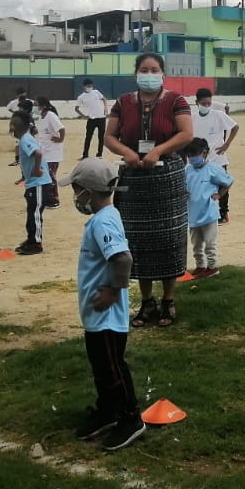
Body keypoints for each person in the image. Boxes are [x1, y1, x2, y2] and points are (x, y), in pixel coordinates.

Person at [105, 53, 194, 329]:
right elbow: (109, 136)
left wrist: (158, 151)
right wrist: (127, 153)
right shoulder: (122, 102)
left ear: (162, 73)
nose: (149, 73)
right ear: (136, 73)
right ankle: (146, 301)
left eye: (154, 69)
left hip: (167, 176)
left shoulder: (176, 101)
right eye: (144, 69)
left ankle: (168, 299)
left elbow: (186, 134)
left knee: (169, 239)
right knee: (137, 241)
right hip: (134, 178)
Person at [68, 158, 146, 451]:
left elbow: (123, 259)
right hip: (96, 316)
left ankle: (130, 418)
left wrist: (114, 291)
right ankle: (108, 410)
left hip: (107, 317)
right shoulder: (103, 218)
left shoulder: (104, 221)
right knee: (101, 367)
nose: (75, 197)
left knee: (113, 369)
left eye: (77, 190)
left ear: (88, 191)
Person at [184, 138, 233, 278]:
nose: (192, 159)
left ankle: (212, 266)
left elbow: (228, 181)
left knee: (210, 242)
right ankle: (200, 266)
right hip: (193, 213)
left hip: (209, 213)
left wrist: (219, 195)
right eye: (190, 156)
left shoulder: (213, 169)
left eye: (195, 155)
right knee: (196, 243)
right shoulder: (187, 170)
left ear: (204, 153)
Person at [192, 87, 239, 223]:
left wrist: (227, 144)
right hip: (201, 160)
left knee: (222, 185)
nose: (206, 106)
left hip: (218, 157)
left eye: (209, 103)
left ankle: (223, 213)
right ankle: (205, 211)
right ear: (197, 103)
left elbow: (235, 126)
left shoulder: (218, 115)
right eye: (203, 104)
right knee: (202, 186)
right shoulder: (192, 118)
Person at [11, 111, 54, 255]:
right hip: (34, 184)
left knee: (35, 214)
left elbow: (38, 153)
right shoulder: (26, 138)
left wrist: (37, 170)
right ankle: (31, 239)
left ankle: (36, 244)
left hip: (39, 184)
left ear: (15, 126)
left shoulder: (25, 139)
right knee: (31, 214)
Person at [35, 96, 66, 209]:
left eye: (36, 104)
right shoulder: (40, 117)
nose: (35, 107)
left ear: (42, 105)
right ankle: (46, 198)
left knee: (50, 176)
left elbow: (61, 129)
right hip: (44, 151)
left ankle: (54, 200)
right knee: (45, 175)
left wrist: (60, 139)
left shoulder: (50, 116)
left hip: (53, 152)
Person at [75, 79, 109, 160]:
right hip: (91, 119)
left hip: (101, 118)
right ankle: (85, 155)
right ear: (84, 86)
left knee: (101, 137)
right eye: (88, 86)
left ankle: (99, 155)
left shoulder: (96, 92)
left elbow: (104, 99)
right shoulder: (81, 97)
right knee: (88, 137)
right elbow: (76, 108)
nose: (90, 87)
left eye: (91, 86)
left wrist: (106, 108)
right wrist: (84, 116)